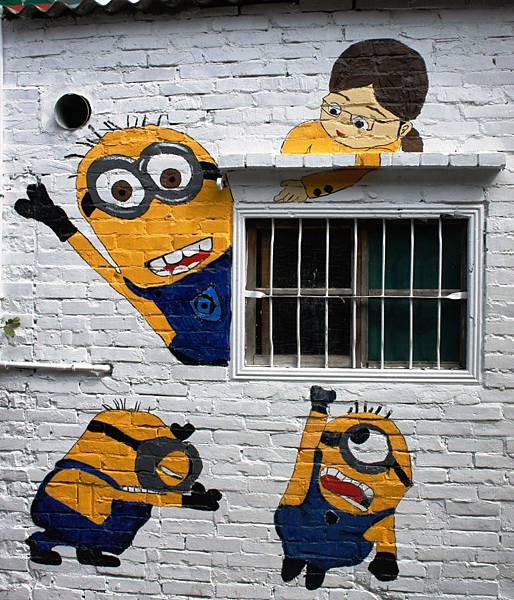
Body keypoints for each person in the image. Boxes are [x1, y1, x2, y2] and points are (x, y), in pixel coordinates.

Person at [274, 39, 429, 203]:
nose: (344, 124)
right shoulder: (306, 134)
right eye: (334, 110)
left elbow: (350, 175)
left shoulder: (382, 149)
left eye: (361, 123)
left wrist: (308, 187)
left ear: (402, 129)